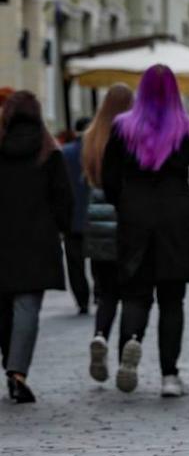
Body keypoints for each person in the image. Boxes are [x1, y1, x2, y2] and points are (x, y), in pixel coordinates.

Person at [102, 65, 189, 397]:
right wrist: (187, 209)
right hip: (175, 217)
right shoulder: (188, 130)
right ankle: (169, 375)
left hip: (135, 215)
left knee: (135, 294)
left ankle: (130, 344)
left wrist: (123, 206)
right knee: (172, 299)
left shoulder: (123, 128)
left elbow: (109, 179)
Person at [0, 92, 73, 403]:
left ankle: (9, 362)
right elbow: (64, 201)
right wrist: (61, 230)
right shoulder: (49, 154)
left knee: (3, 307)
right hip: (37, 241)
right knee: (27, 307)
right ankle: (18, 373)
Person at [81, 84, 134, 383]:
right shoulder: (130, 136)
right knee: (131, 294)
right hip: (127, 215)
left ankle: (100, 335)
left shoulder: (91, 136)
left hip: (97, 218)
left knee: (106, 293)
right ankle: (126, 350)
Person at [61, 117, 93, 314]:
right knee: (100, 256)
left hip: (71, 216)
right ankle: (99, 292)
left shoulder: (65, 153)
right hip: (96, 215)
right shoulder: (98, 149)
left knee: (75, 262)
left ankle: (82, 299)